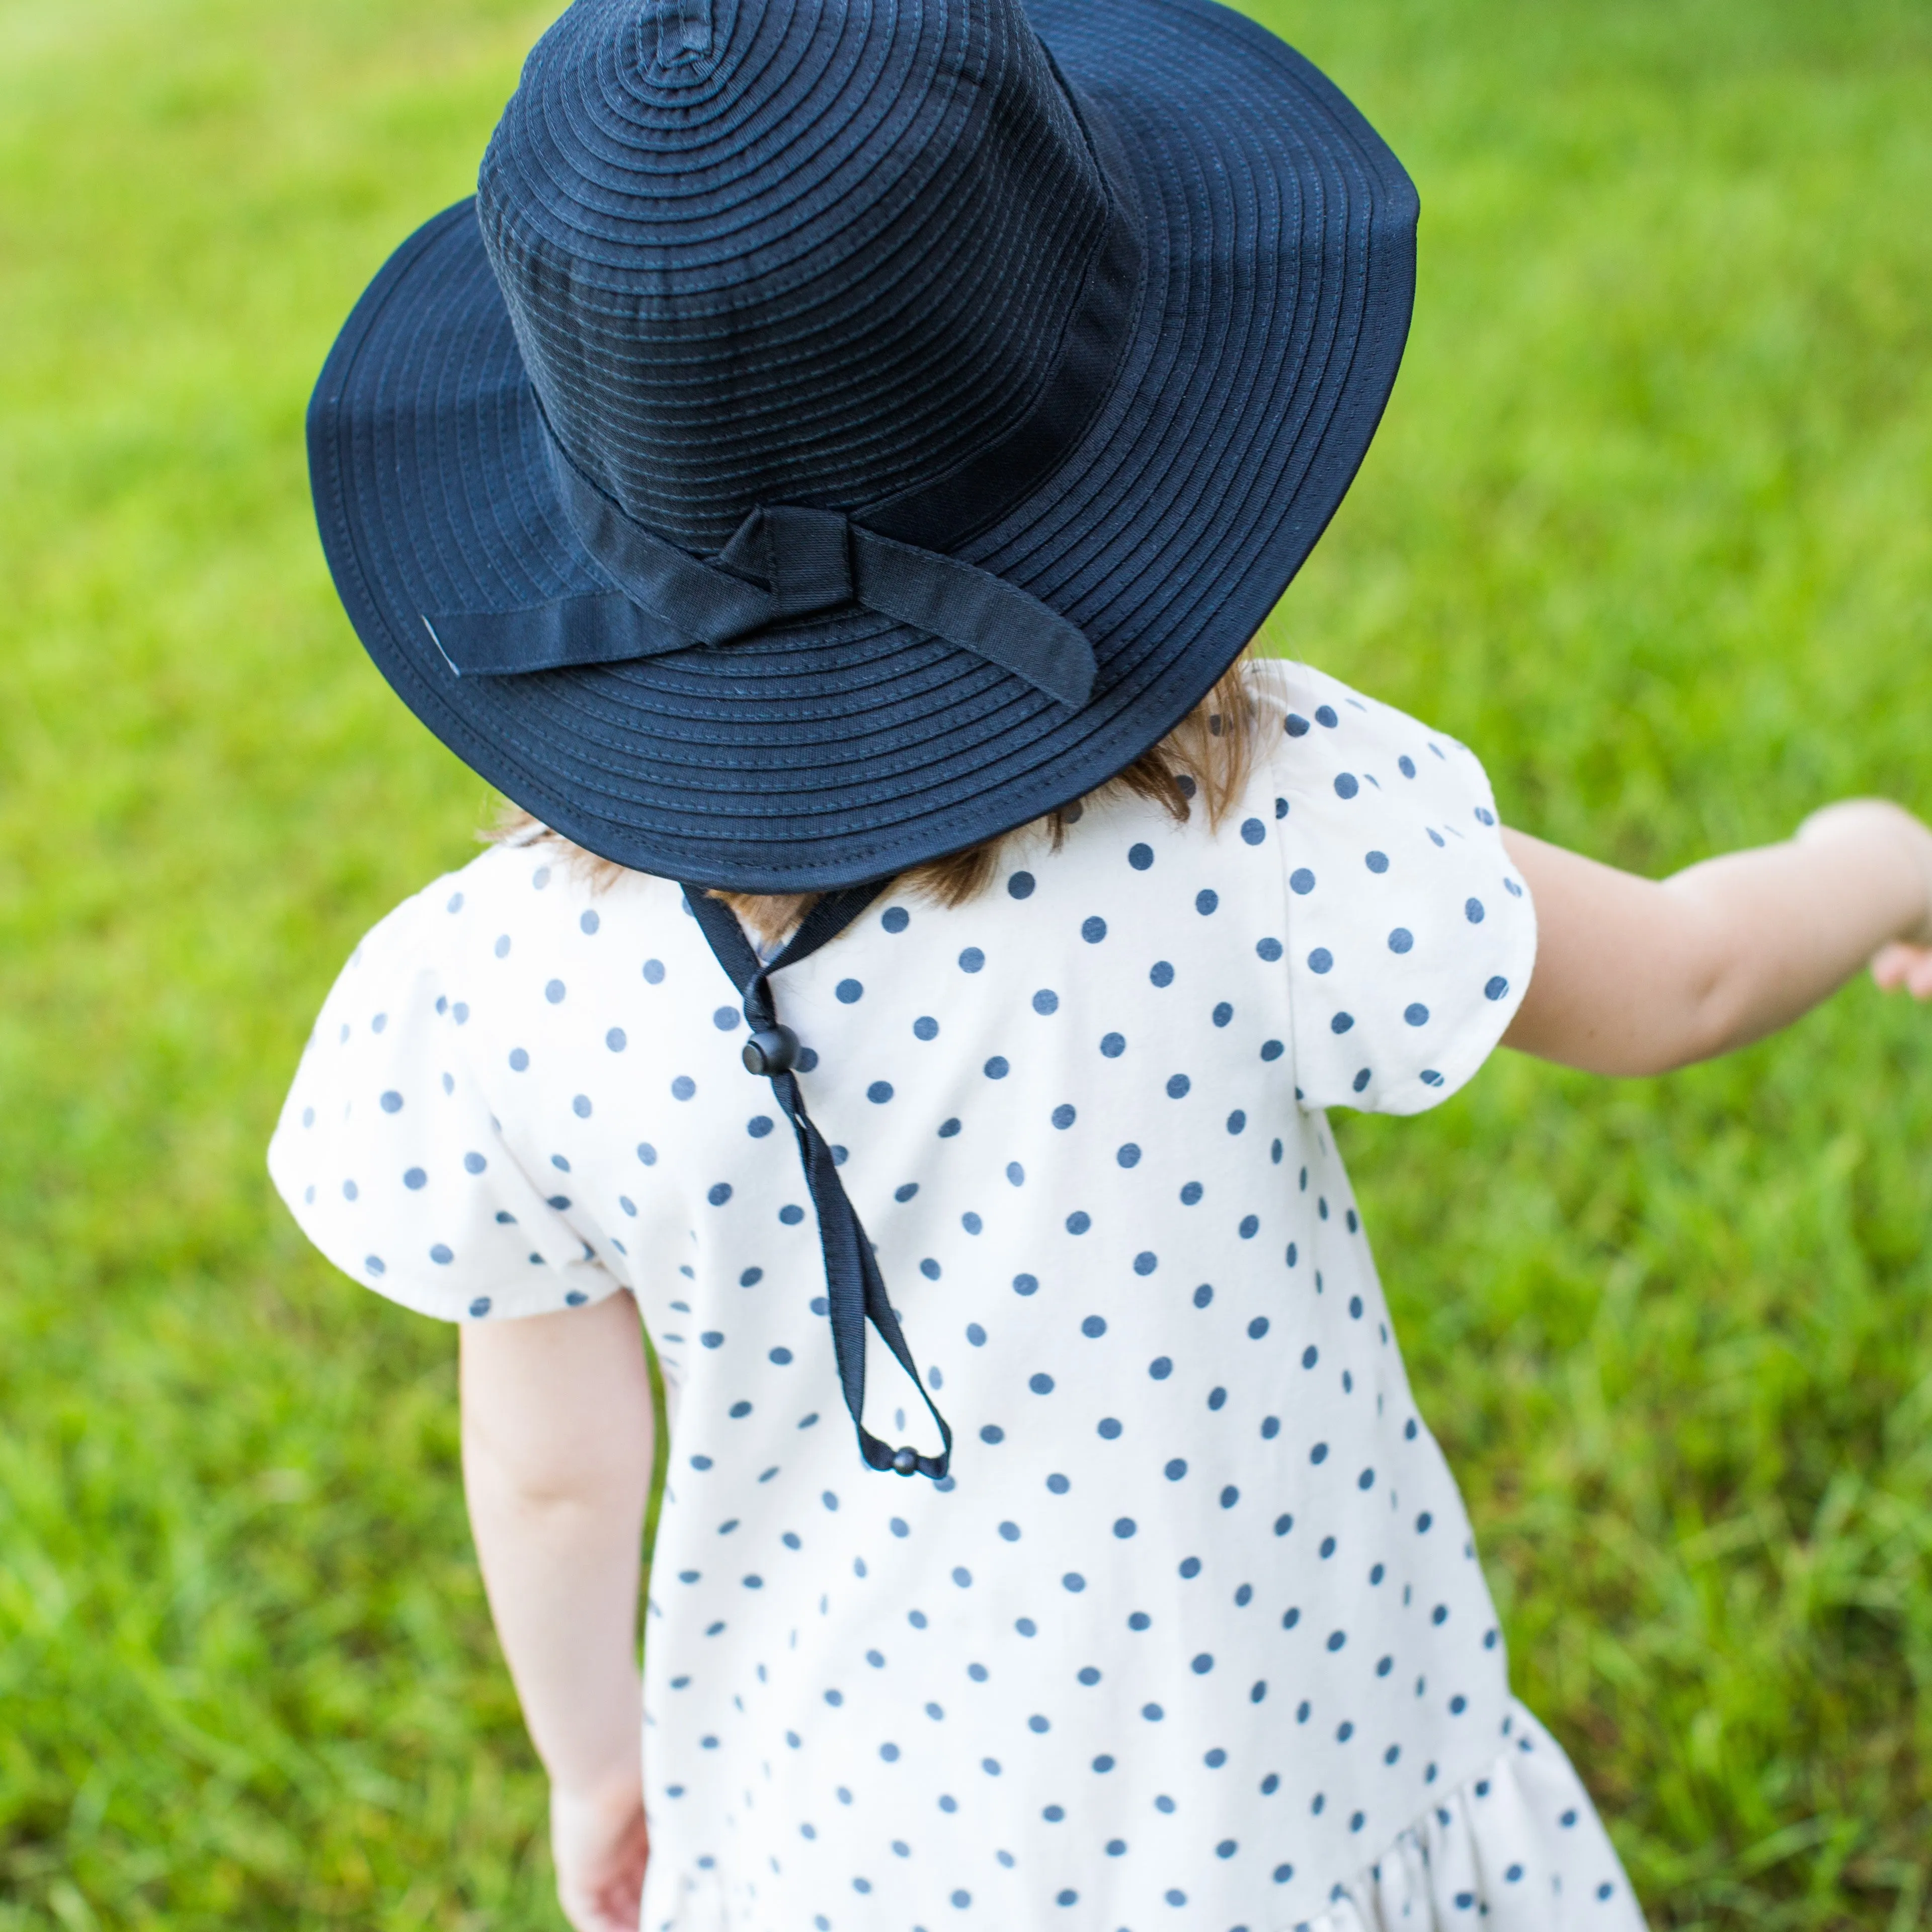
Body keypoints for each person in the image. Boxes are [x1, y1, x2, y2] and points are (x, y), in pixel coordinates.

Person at [269, 1, 1932, 1926]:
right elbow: (1685, 985)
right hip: (1295, 1786)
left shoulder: (492, 986)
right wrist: (1872, 858)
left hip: (843, 1834)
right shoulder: (1258, 827)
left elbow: (556, 1472)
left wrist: (595, 1769)